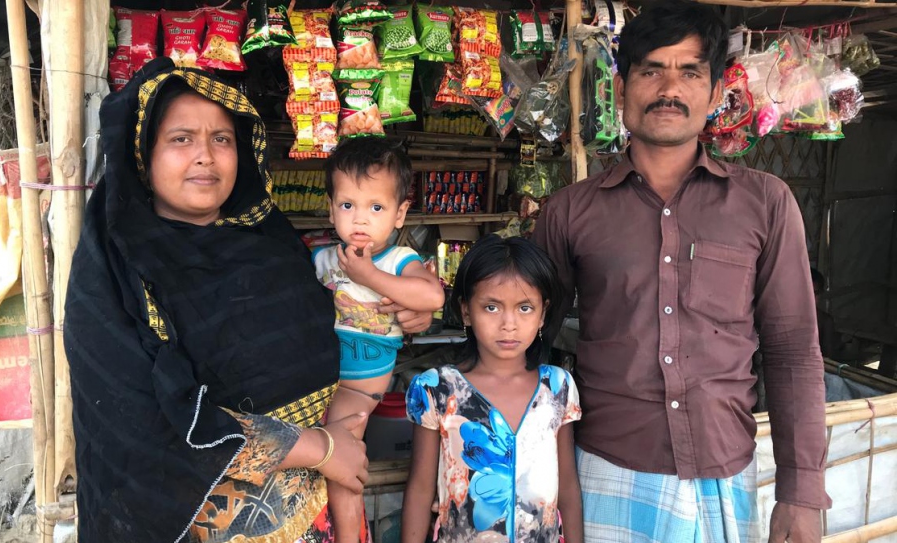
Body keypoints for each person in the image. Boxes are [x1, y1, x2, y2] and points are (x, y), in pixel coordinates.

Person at [64, 58, 430, 542]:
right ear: (142, 154)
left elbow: (344, 308)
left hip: (319, 514)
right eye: (181, 138)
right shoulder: (115, 275)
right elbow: (142, 420)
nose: (206, 155)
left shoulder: (272, 246)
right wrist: (319, 449)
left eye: (222, 139)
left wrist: (410, 308)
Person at [533, 1, 830, 542]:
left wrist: (801, 491)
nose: (669, 89)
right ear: (621, 92)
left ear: (716, 94)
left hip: (726, 471)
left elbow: (792, 349)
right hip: (606, 469)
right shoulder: (570, 212)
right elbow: (526, 344)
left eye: (690, 72)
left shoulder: (765, 203)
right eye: (650, 70)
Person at [401, 235, 583, 543]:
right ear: (466, 311)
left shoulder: (558, 387)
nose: (509, 324)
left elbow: (567, 486)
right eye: (491, 307)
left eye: (525, 308)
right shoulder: (437, 390)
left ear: (542, 314)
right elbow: (420, 489)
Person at [316, 138, 446, 543]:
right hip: (321, 378)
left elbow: (432, 297)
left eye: (376, 207)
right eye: (348, 205)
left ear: (400, 213)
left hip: (360, 384)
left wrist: (368, 277)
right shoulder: (322, 258)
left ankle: (349, 538)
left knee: (341, 458)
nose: (360, 219)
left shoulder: (397, 261)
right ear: (331, 208)